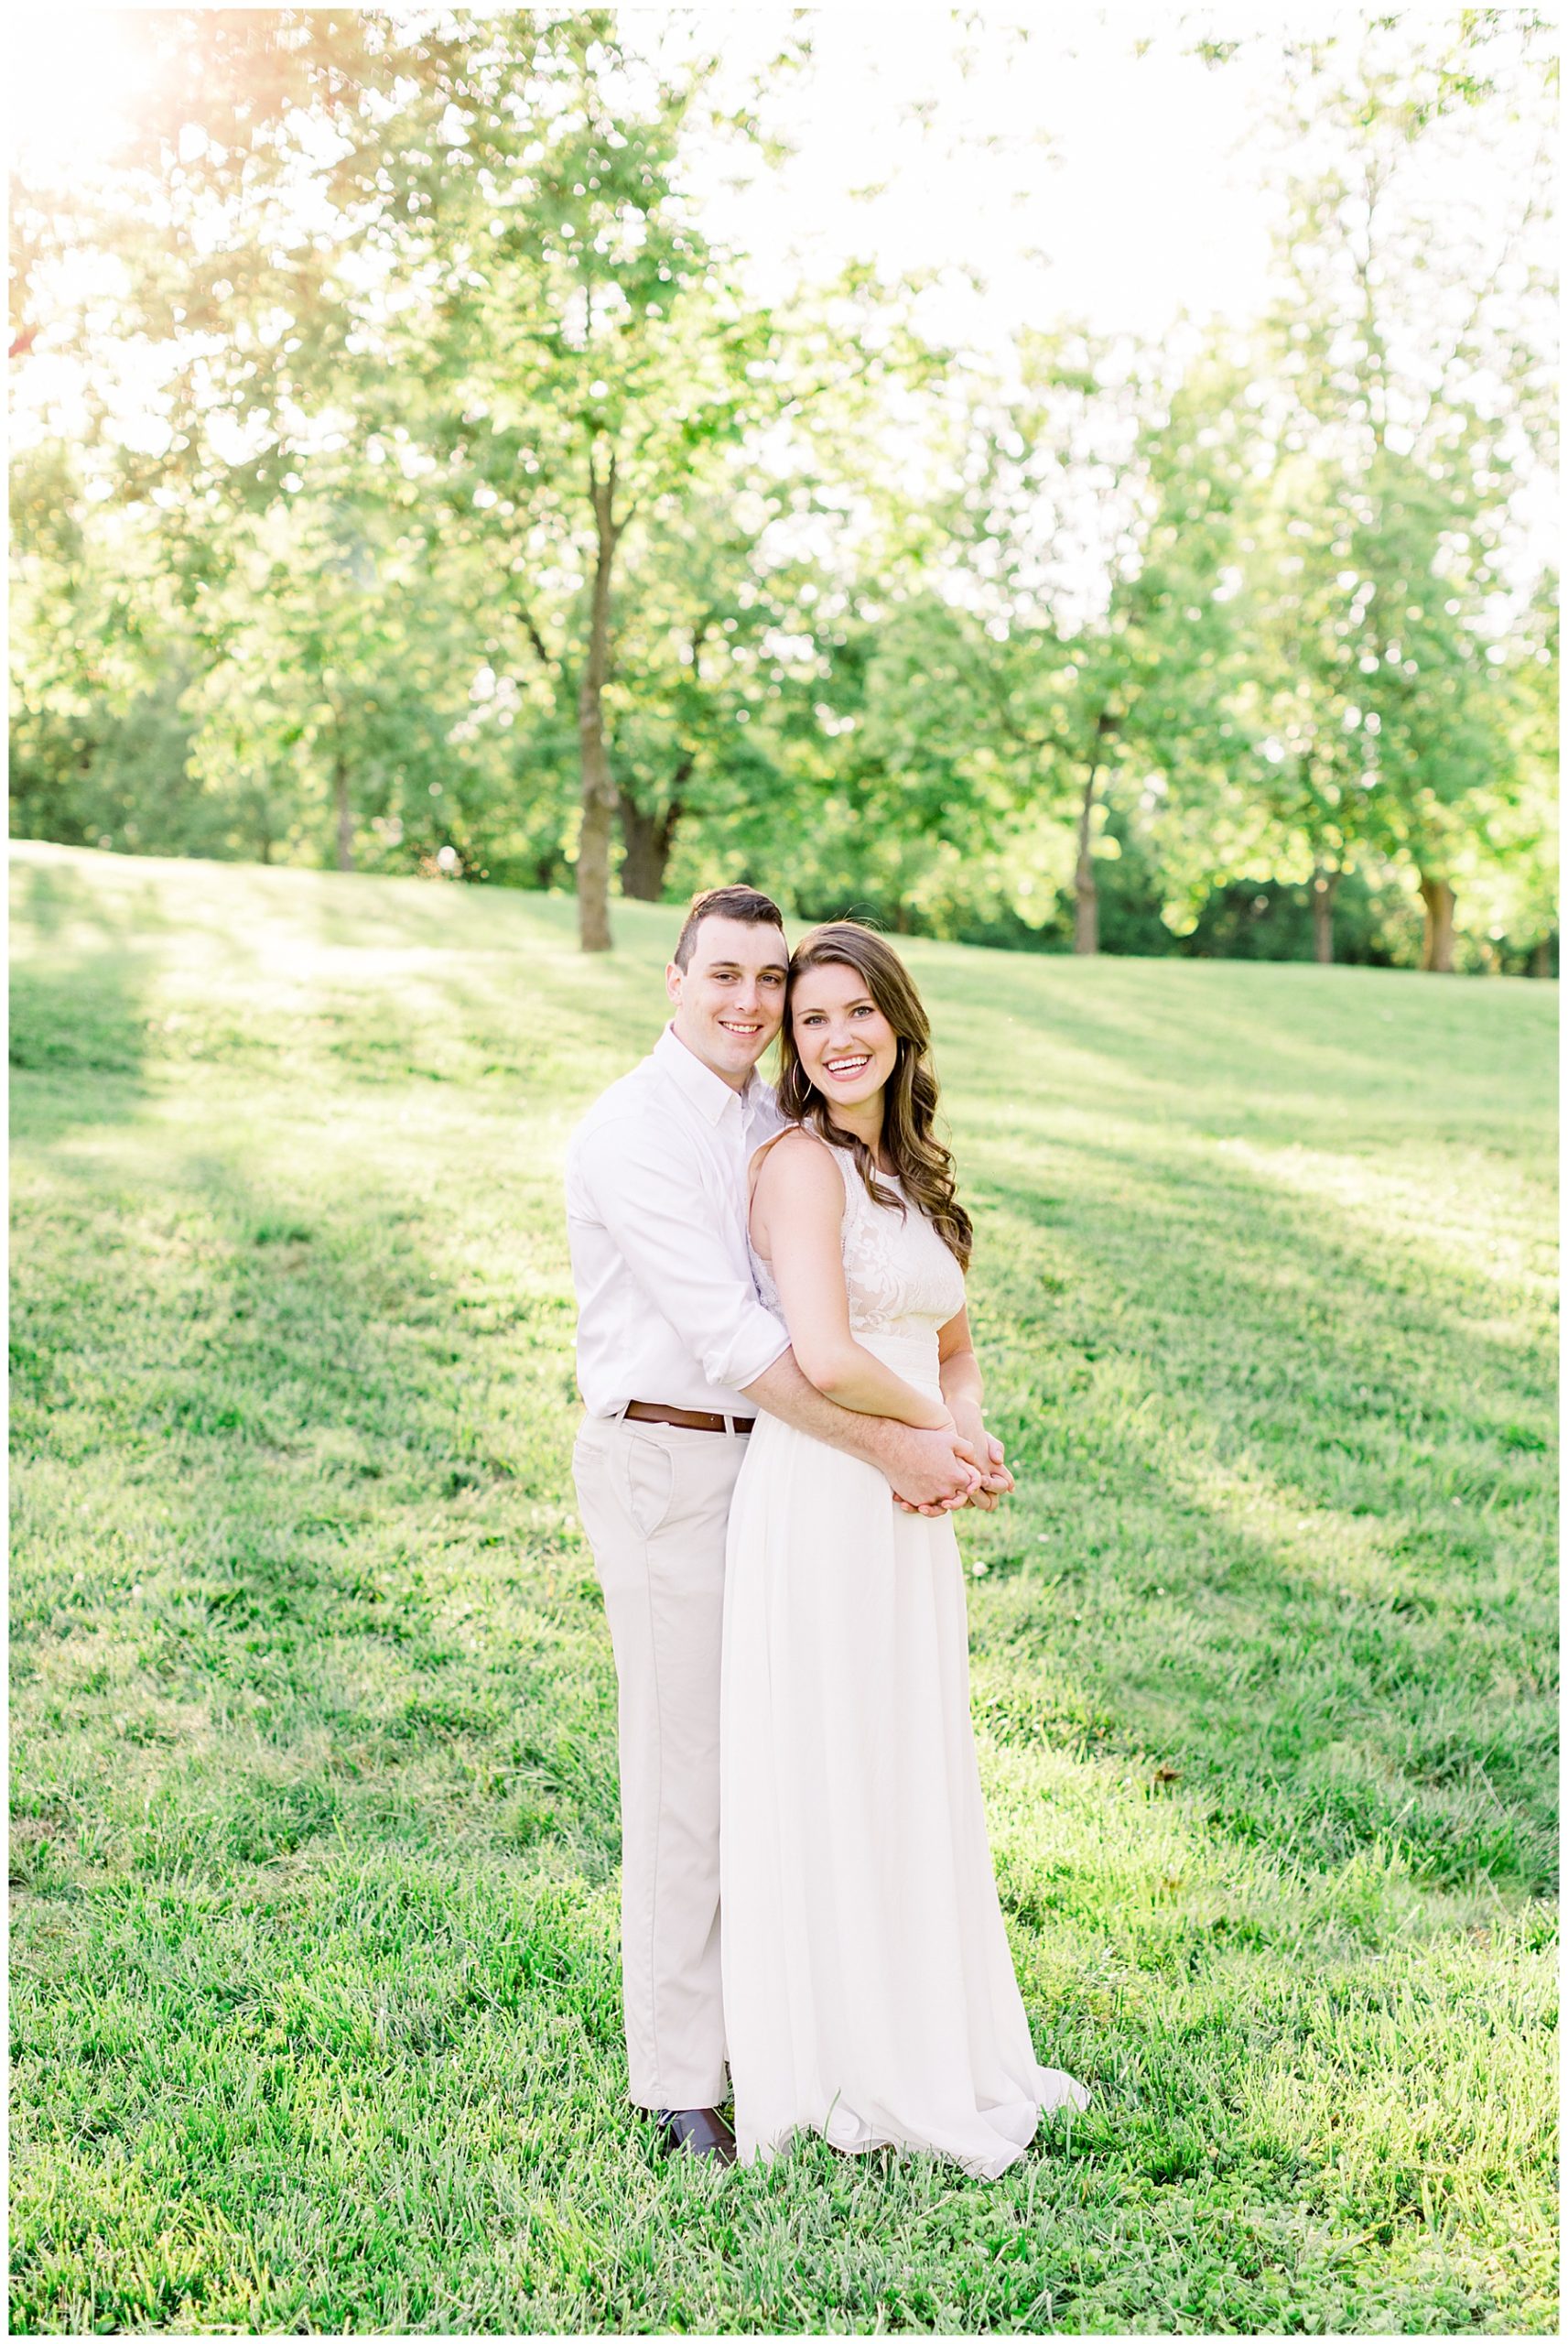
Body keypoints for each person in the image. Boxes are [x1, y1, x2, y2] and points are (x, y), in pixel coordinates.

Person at [565, 886, 1011, 2165]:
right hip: (668, 1455)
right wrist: (907, 1449)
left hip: (781, 1466)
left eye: (770, 981)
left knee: (782, 1758)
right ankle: (672, 2081)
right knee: (684, 1775)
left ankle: (806, 2023)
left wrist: (915, 1446)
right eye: (727, 977)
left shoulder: (774, 1120)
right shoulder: (633, 1133)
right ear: (674, 979)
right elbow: (743, 1340)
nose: (751, 1003)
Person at [720, 920, 1089, 2177]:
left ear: (898, 1022)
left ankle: (932, 2031)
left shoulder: (912, 1171)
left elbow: (951, 1342)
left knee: (901, 1756)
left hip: (907, 1496)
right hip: (828, 1489)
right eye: (809, 1018)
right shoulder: (798, 1167)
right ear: (791, 1041)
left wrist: (967, 1432)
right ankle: (842, 2051)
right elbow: (825, 1356)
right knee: (833, 1751)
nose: (834, 1038)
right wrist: (931, 1444)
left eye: (854, 1012)